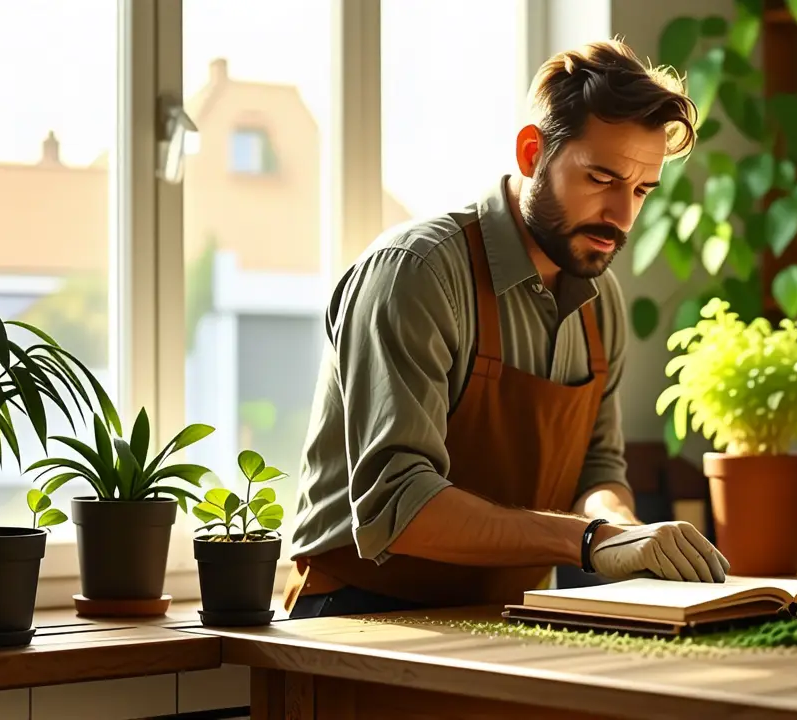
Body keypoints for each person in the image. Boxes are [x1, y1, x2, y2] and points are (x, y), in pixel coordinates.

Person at [283, 39, 731, 619]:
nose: (622, 217)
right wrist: (588, 539)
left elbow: (598, 471)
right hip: (359, 616)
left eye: (641, 190)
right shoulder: (416, 273)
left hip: (508, 616)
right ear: (530, 153)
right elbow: (399, 503)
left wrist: (623, 529)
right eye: (602, 177)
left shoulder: (602, 301)